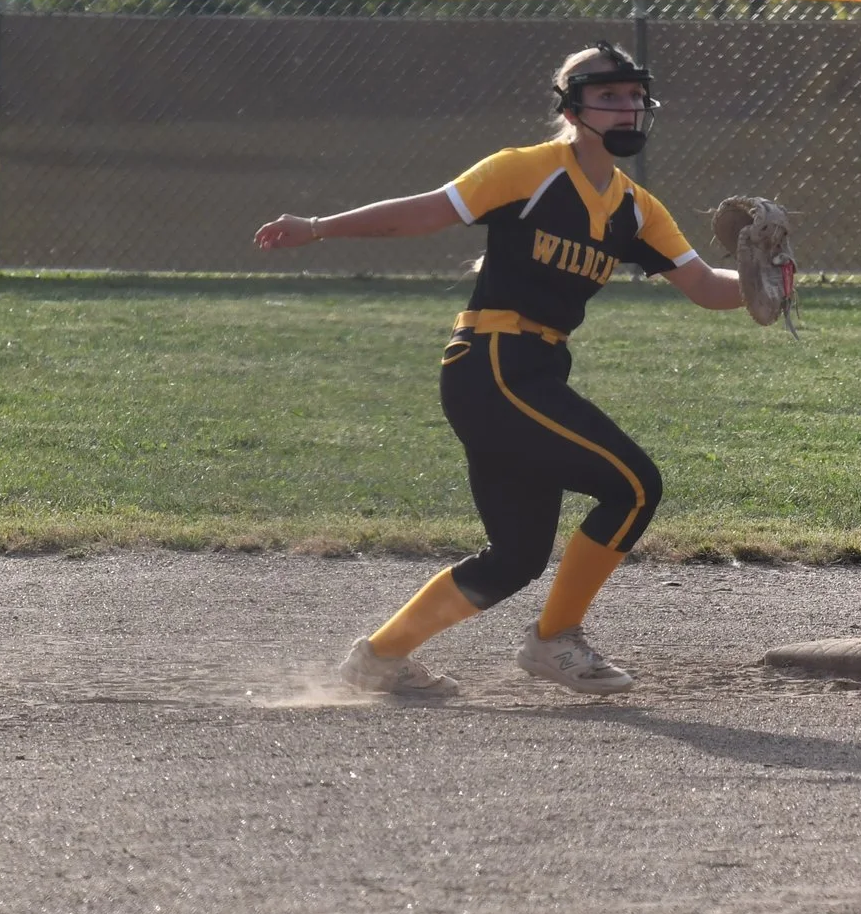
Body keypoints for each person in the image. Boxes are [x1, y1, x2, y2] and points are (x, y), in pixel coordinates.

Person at [253, 42, 769, 697]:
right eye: (609, 96)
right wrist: (319, 227)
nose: (626, 107)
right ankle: (555, 640)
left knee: (515, 558)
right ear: (571, 106)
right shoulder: (526, 171)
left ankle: (378, 659)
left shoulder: (636, 208)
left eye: (634, 96)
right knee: (633, 486)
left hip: (532, 373)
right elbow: (426, 212)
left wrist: (765, 277)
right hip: (492, 366)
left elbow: (703, 285)